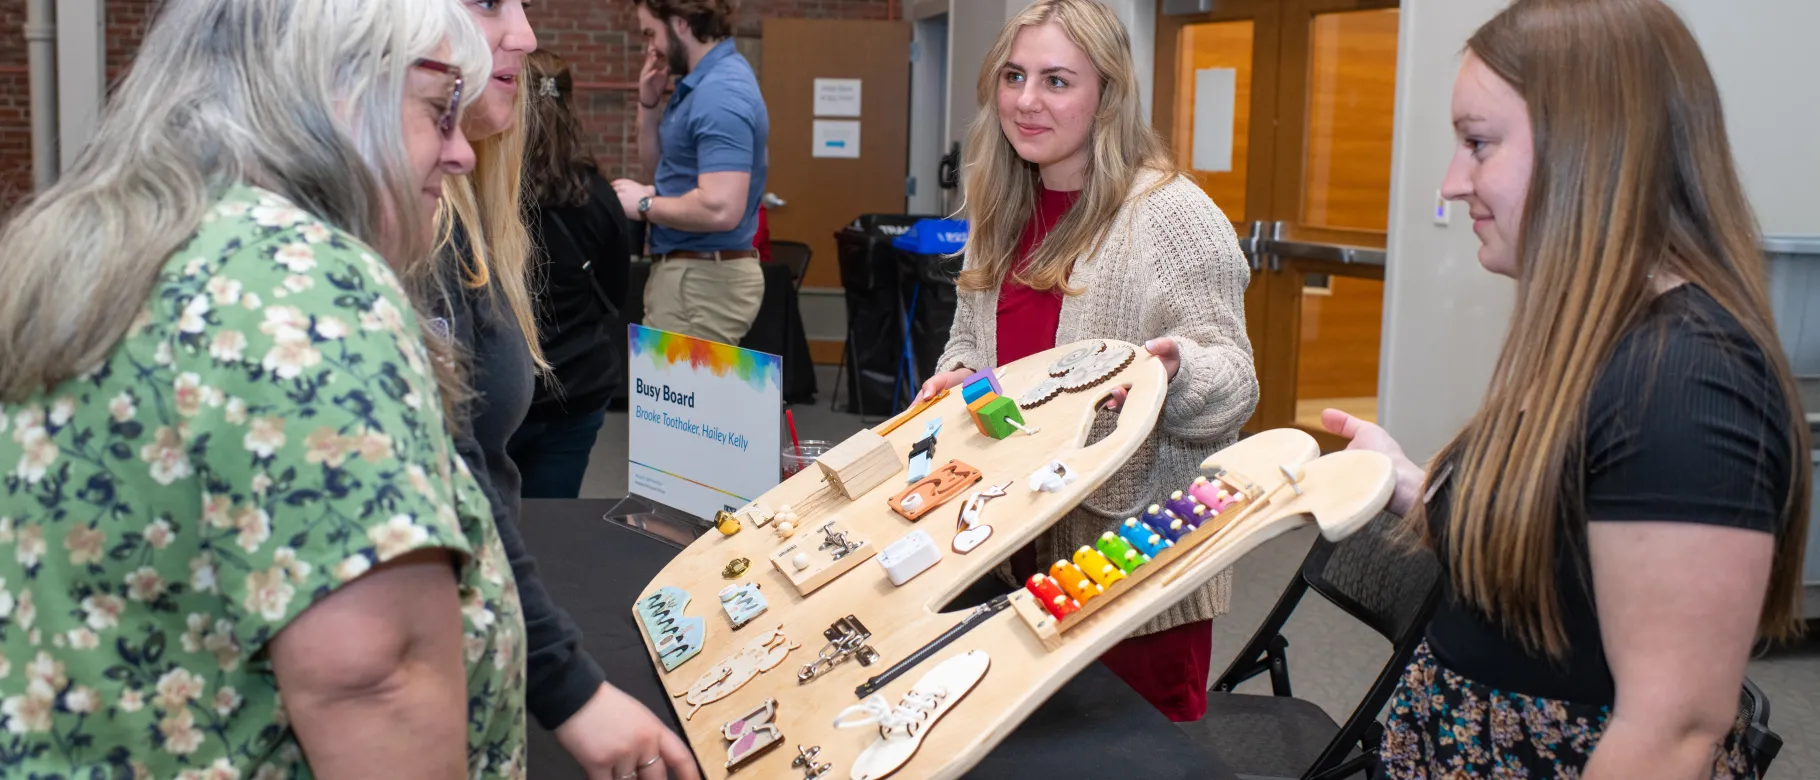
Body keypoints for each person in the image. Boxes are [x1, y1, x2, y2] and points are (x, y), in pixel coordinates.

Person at [0, 0, 525, 775]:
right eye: (439, 110)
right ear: (339, 92)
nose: (462, 155)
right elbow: (376, 679)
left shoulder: (97, 245)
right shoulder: (306, 292)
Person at [1318, 1, 1812, 776]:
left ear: (1598, 146)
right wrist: (1406, 481)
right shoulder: (1597, 339)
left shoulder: (1685, 383)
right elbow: (1556, 555)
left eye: (1478, 144)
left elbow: (1673, 730)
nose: (1452, 184)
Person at [916, 0, 1257, 722]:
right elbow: (975, 342)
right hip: (1011, 555)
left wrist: (1176, 369)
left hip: (1133, 577)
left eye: (1057, 81)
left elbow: (1235, 382)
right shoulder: (1002, 205)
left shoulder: (1171, 215)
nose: (1027, 101)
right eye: (1014, 75)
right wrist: (956, 379)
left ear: (1108, 93)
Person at [437, 2, 699, 779]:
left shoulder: (477, 208)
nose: (523, 30)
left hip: (483, 636)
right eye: (490, 4)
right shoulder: (423, 233)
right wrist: (572, 688)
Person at [507, 48, 634, 500]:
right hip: (577, 388)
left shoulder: (487, 196)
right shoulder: (598, 195)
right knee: (552, 522)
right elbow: (616, 291)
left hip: (502, 392)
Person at [613, 0, 769, 346]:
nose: (651, 47)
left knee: (685, 400)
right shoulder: (698, 86)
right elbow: (664, 172)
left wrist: (643, 204)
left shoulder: (720, 93)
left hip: (700, 283)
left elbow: (720, 208)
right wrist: (648, 105)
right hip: (693, 278)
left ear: (680, 24)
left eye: (652, 33)